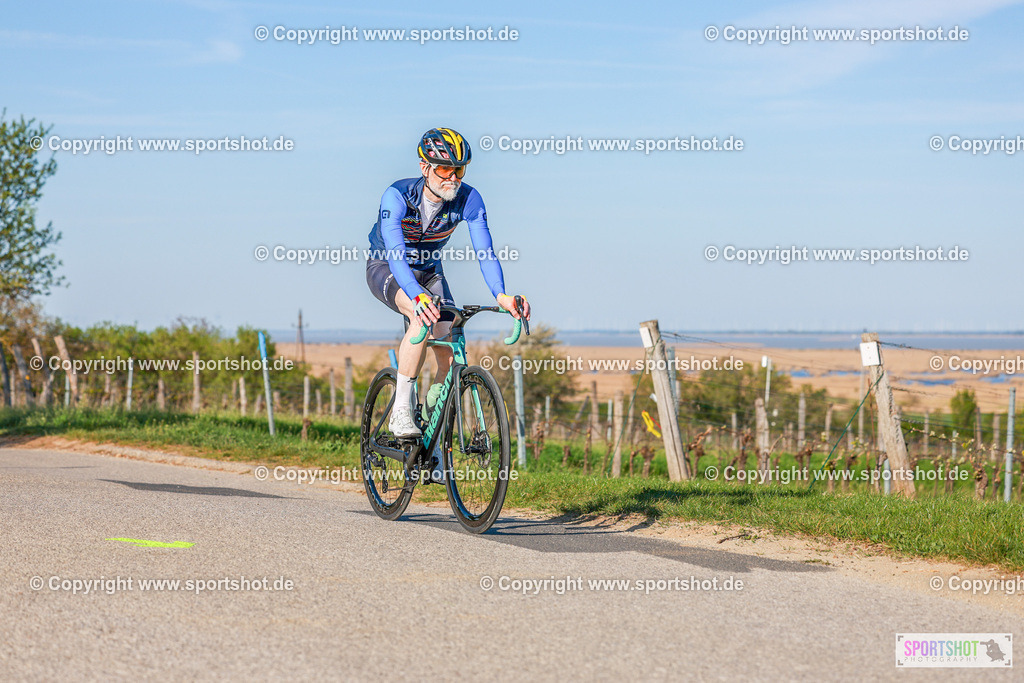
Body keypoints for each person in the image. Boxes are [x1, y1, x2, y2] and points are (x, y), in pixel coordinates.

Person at [365, 127, 530, 455]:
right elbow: (397, 256)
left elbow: (486, 251)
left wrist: (501, 294)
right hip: (387, 267)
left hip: (430, 271)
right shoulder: (396, 196)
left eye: (460, 169)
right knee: (420, 316)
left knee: (450, 344)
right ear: (425, 167)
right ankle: (400, 411)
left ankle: (429, 431)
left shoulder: (470, 199)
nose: (452, 177)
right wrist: (416, 296)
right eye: (444, 169)